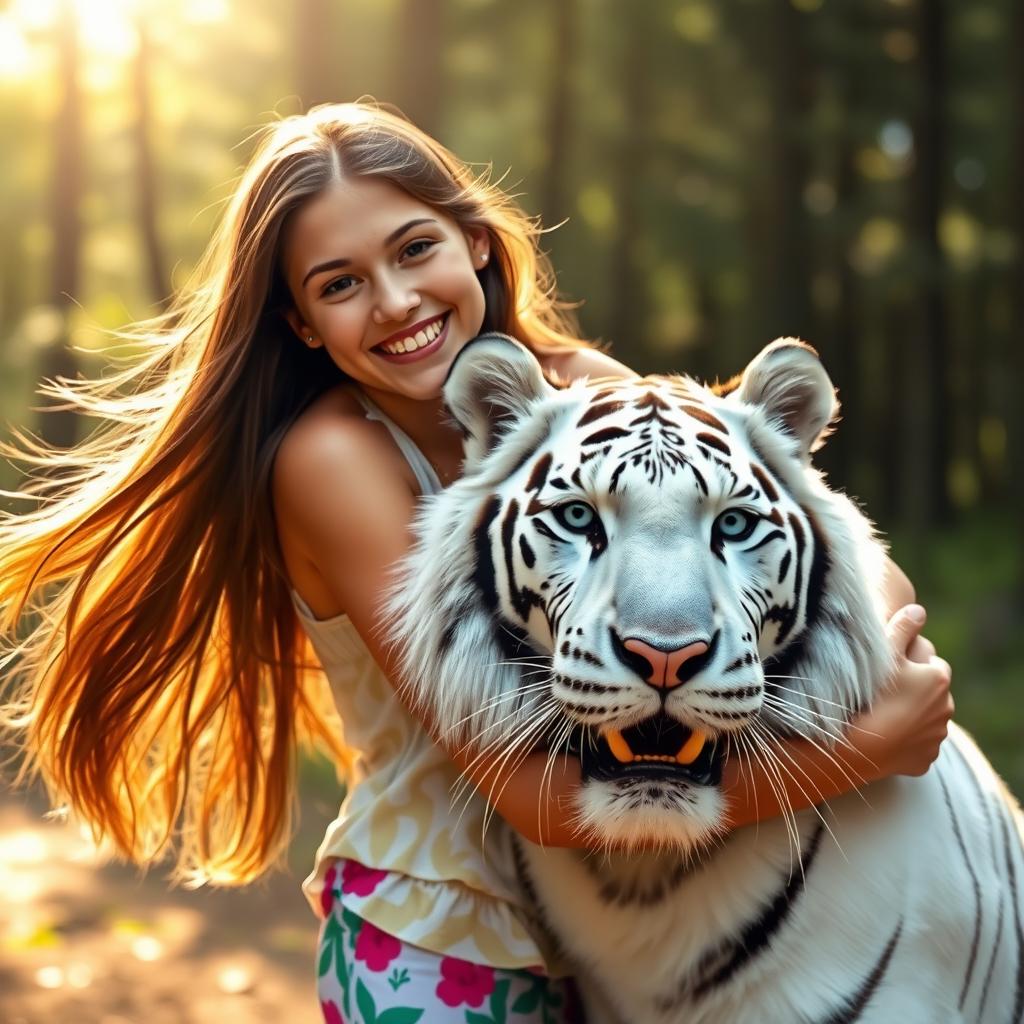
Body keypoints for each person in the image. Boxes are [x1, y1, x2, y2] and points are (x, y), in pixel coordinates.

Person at [0, 102, 953, 1023]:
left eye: (415, 249)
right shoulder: (334, 460)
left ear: (478, 244)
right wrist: (860, 748)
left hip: (617, 929)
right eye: (339, 284)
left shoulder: (586, 393)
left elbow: (815, 544)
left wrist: (876, 617)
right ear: (301, 324)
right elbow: (530, 798)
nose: (397, 300)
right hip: (443, 935)